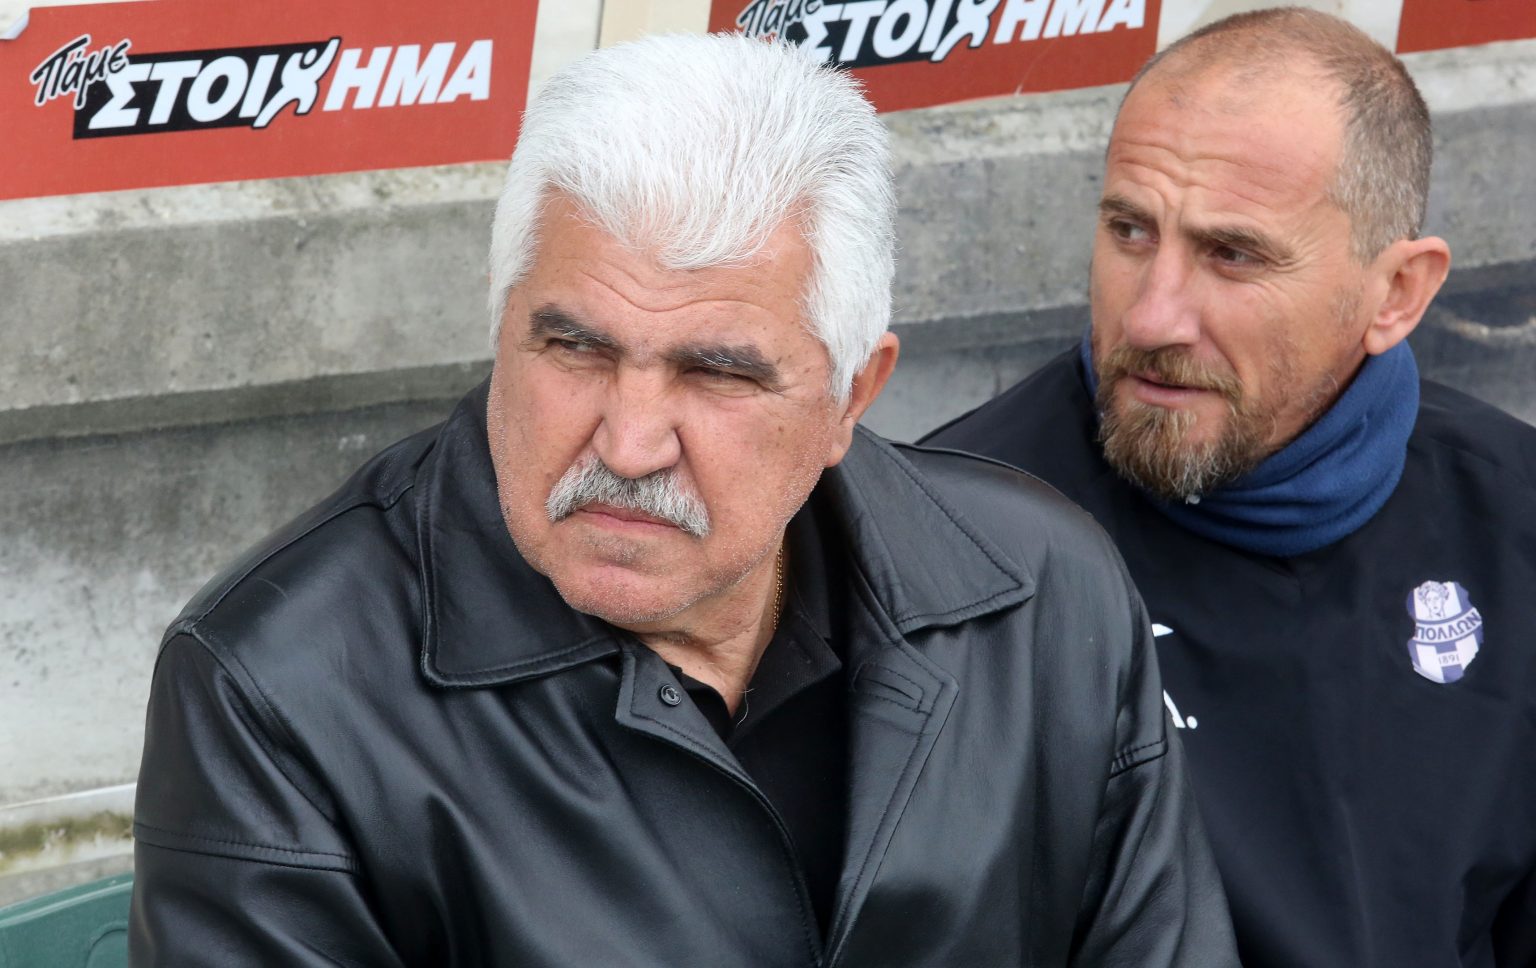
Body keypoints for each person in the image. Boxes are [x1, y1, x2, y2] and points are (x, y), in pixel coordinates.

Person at [128, 33, 1235, 967]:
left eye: (717, 372)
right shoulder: (279, 685)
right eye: (575, 348)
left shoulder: (1041, 592)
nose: (628, 441)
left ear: (852, 395)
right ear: (502, 324)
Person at [924, 8, 1536, 967]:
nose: (1153, 317)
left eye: (1233, 254)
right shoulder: (951, 539)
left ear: (1397, 294)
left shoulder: (1513, 515)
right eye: (1130, 231)